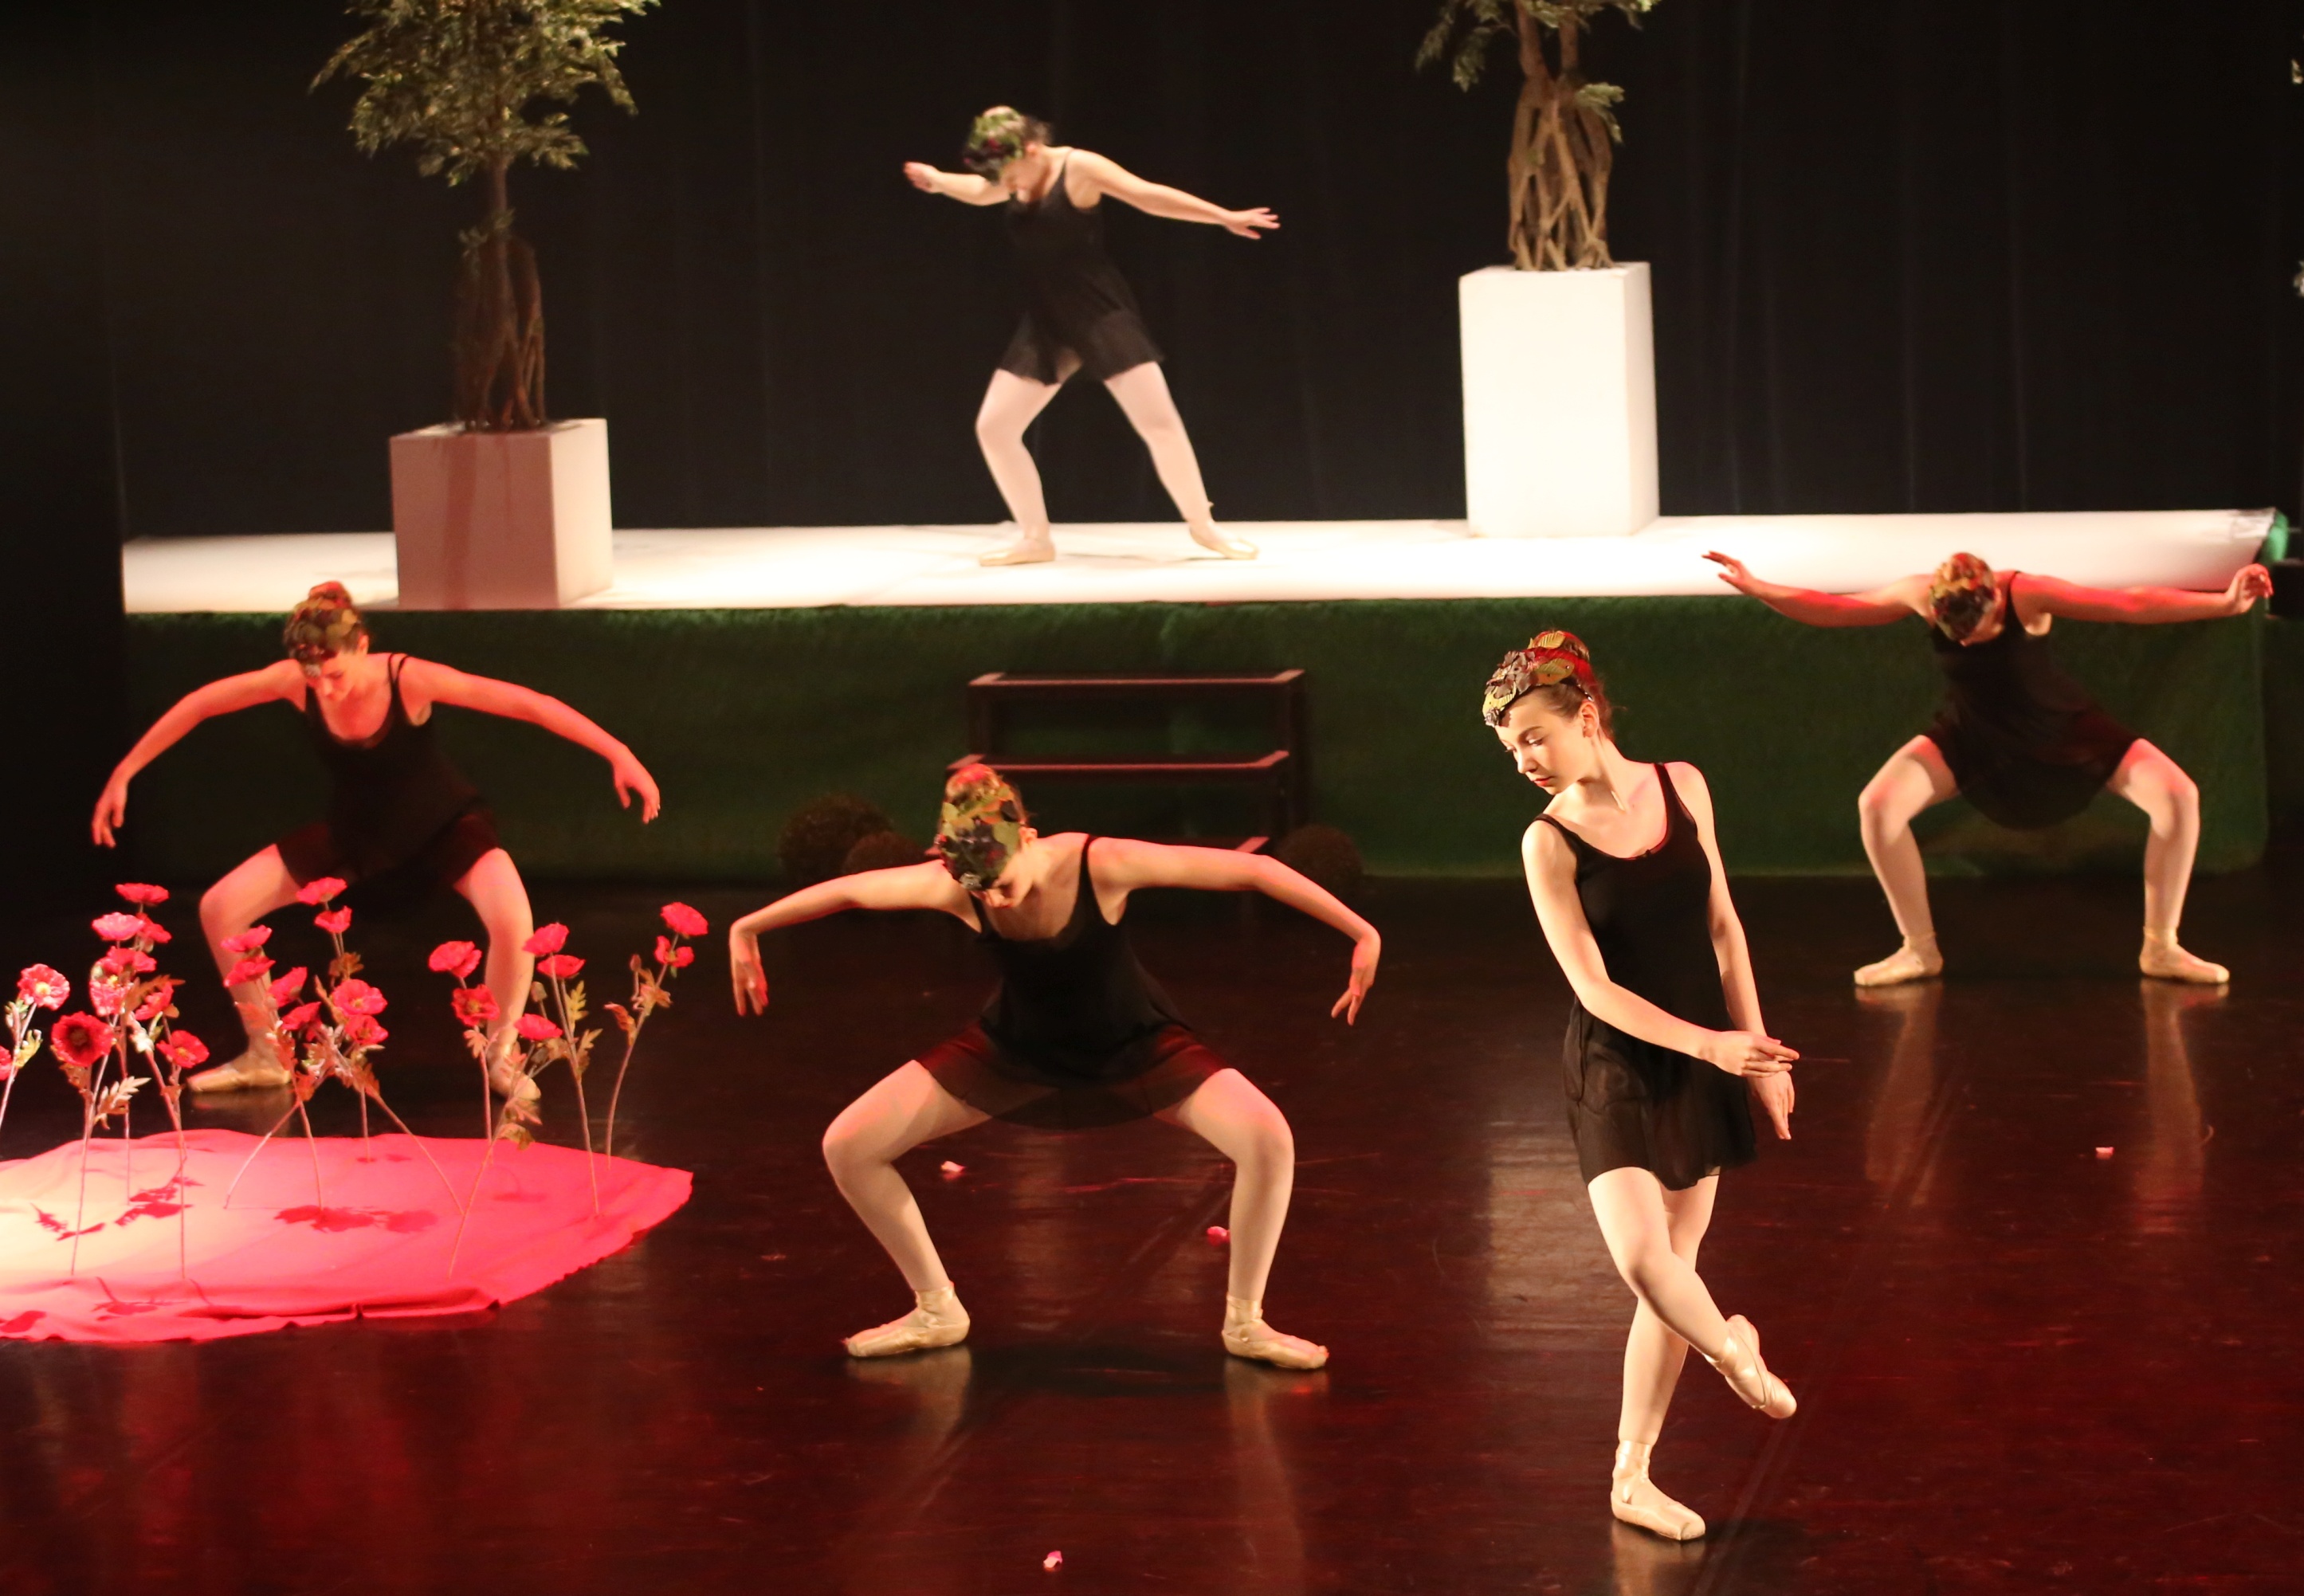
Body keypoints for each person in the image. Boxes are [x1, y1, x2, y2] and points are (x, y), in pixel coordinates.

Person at [728, 765, 1379, 1368]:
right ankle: (937, 1308)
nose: (996, 900)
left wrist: (1362, 932)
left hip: (1136, 1046)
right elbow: (851, 892)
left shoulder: (1100, 863)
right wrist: (747, 928)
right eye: (982, 890)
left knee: (1269, 1138)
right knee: (848, 1144)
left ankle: (1245, 1322)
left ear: (1029, 839)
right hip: (1015, 1049)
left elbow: (1253, 872)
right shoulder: (958, 882)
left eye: (1005, 883)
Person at [90, 582, 661, 1097]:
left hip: (441, 826)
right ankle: (267, 1052)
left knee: (514, 921)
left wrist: (619, 753)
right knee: (220, 907)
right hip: (357, 833)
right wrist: (124, 772)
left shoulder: (407, 678)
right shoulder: (295, 681)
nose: (325, 689)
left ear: (362, 645)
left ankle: (502, 1056)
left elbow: (529, 704)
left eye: (335, 674)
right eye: (313, 677)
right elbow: (201, 703)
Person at [1485, 631, 1799, 1543]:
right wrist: (1712, 1046)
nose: (1524, 760)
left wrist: (1759, 1055)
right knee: (1642, 1259)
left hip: (1705, 1053)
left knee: (1676, 1266)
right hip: (1618, 1060)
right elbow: (1593, 987)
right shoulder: (1548, 842)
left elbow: (1725, 927)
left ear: (1586, 716)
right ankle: (1734, 1354)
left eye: (1534, 737)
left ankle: (1632, 1473)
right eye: (1511, 748)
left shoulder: (1684, 785)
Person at [1705, 550, 2273, 986]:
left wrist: (2224, 604)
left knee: (2178, 794)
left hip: (2061, 727)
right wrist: (1760, 588)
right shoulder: (1923, 594)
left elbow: (2130, 604)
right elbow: (1835, 610)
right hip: (1973, 734)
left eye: (1975, 631)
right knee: (1877, 806)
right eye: (1954, 634)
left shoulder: (2028, 594)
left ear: (1995, 601)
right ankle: (1918, 949)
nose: (1966, 642)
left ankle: (2161, 946)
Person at [903, 105, 1276, 567]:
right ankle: (1036, 539)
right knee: (995, 428)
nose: (1008, 187)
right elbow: (982, 192)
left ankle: (1205, 526)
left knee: (1159, 424)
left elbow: (1147, 196)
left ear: (1032, 149)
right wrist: (938, 180)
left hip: (1100, 315)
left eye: (1011, 176)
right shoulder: (1014, 171)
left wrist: (1222, 216)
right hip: (1049, 322)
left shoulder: (1080, 168)